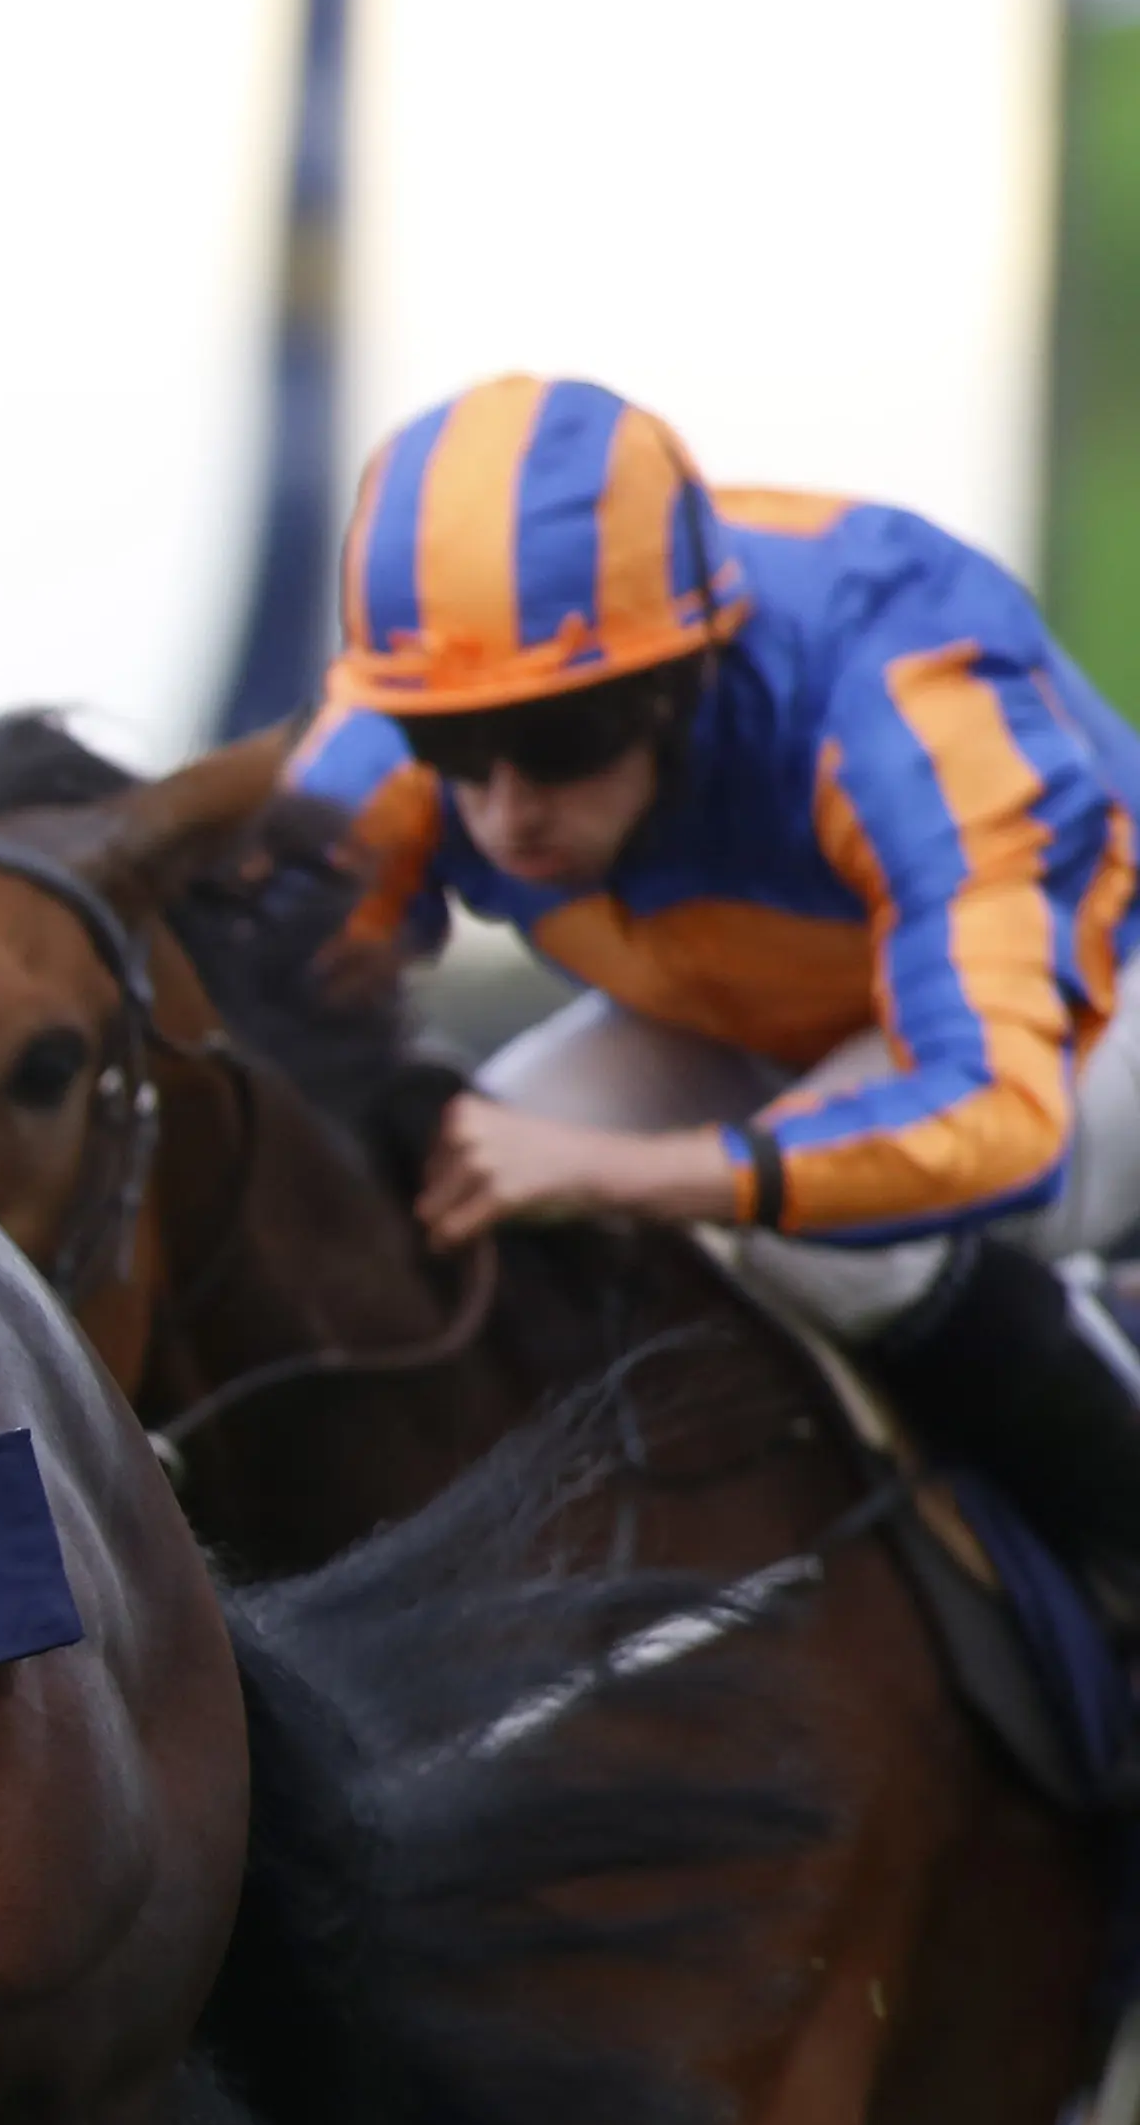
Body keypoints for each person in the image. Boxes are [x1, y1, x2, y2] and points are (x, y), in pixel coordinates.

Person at [288, 371, 1140, 1587]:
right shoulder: (412, 709)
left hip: (1079, 998)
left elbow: (995, 1116)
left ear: (682, 677)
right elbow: (252, 992)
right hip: (758, 1011)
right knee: (478, 1192)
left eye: (563, 740)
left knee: (829, 1247)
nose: (505, 812)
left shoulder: (906, 687)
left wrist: (629, 1172)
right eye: (452, 749)